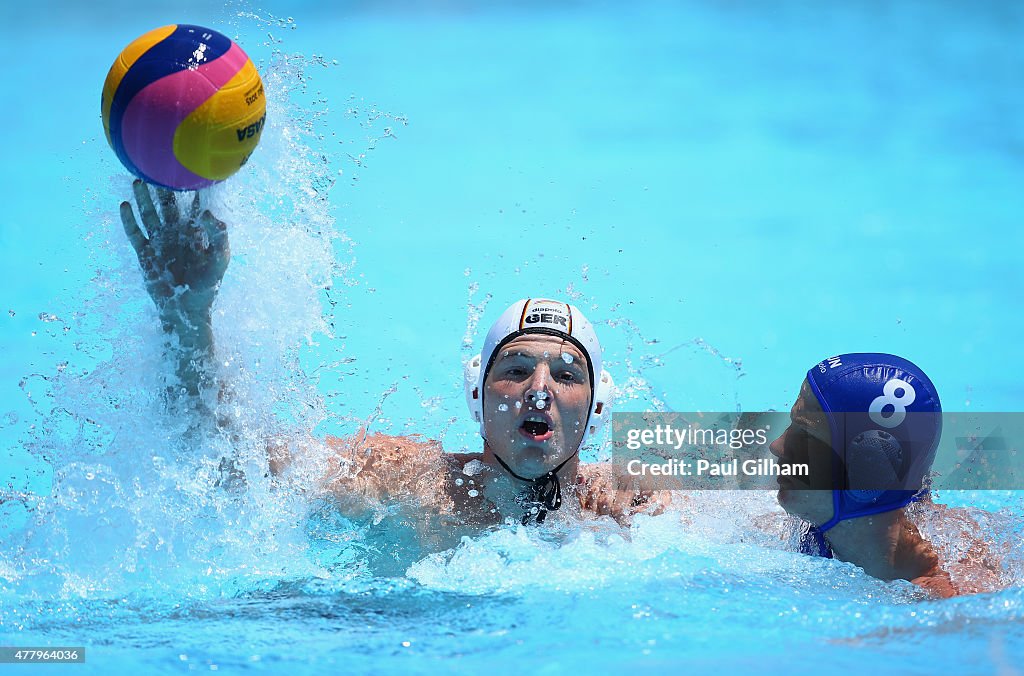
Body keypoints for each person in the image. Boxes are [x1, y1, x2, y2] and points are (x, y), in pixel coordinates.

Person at [120, 182, 665, 531]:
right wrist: (187, 316)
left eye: (566, 374)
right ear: (477, 395)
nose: (539, 389)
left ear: (597, 408)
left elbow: (749, 470)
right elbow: (227, 461)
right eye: (517, 369)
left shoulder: (635, 494)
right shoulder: (409, 478)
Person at [770, 353, 1000, 597]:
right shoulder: (802, 533)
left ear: (869, 470)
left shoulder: (946, 601)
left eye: (804, 435)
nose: (777, 445)